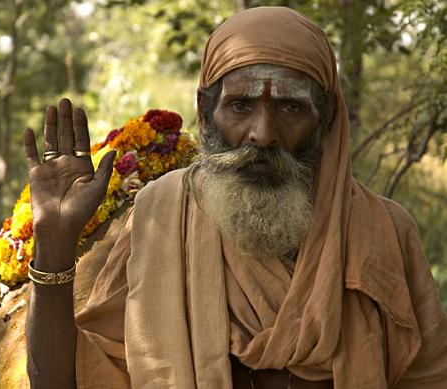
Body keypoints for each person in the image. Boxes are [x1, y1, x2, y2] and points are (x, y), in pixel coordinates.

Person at [24, 6, 447, 389]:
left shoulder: (382, 230)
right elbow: (68, 381)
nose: (262, 134)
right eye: (240, 106)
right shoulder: (161, 219)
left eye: (289, 108)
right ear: (205, 113)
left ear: (328, 119)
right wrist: (55, 244)